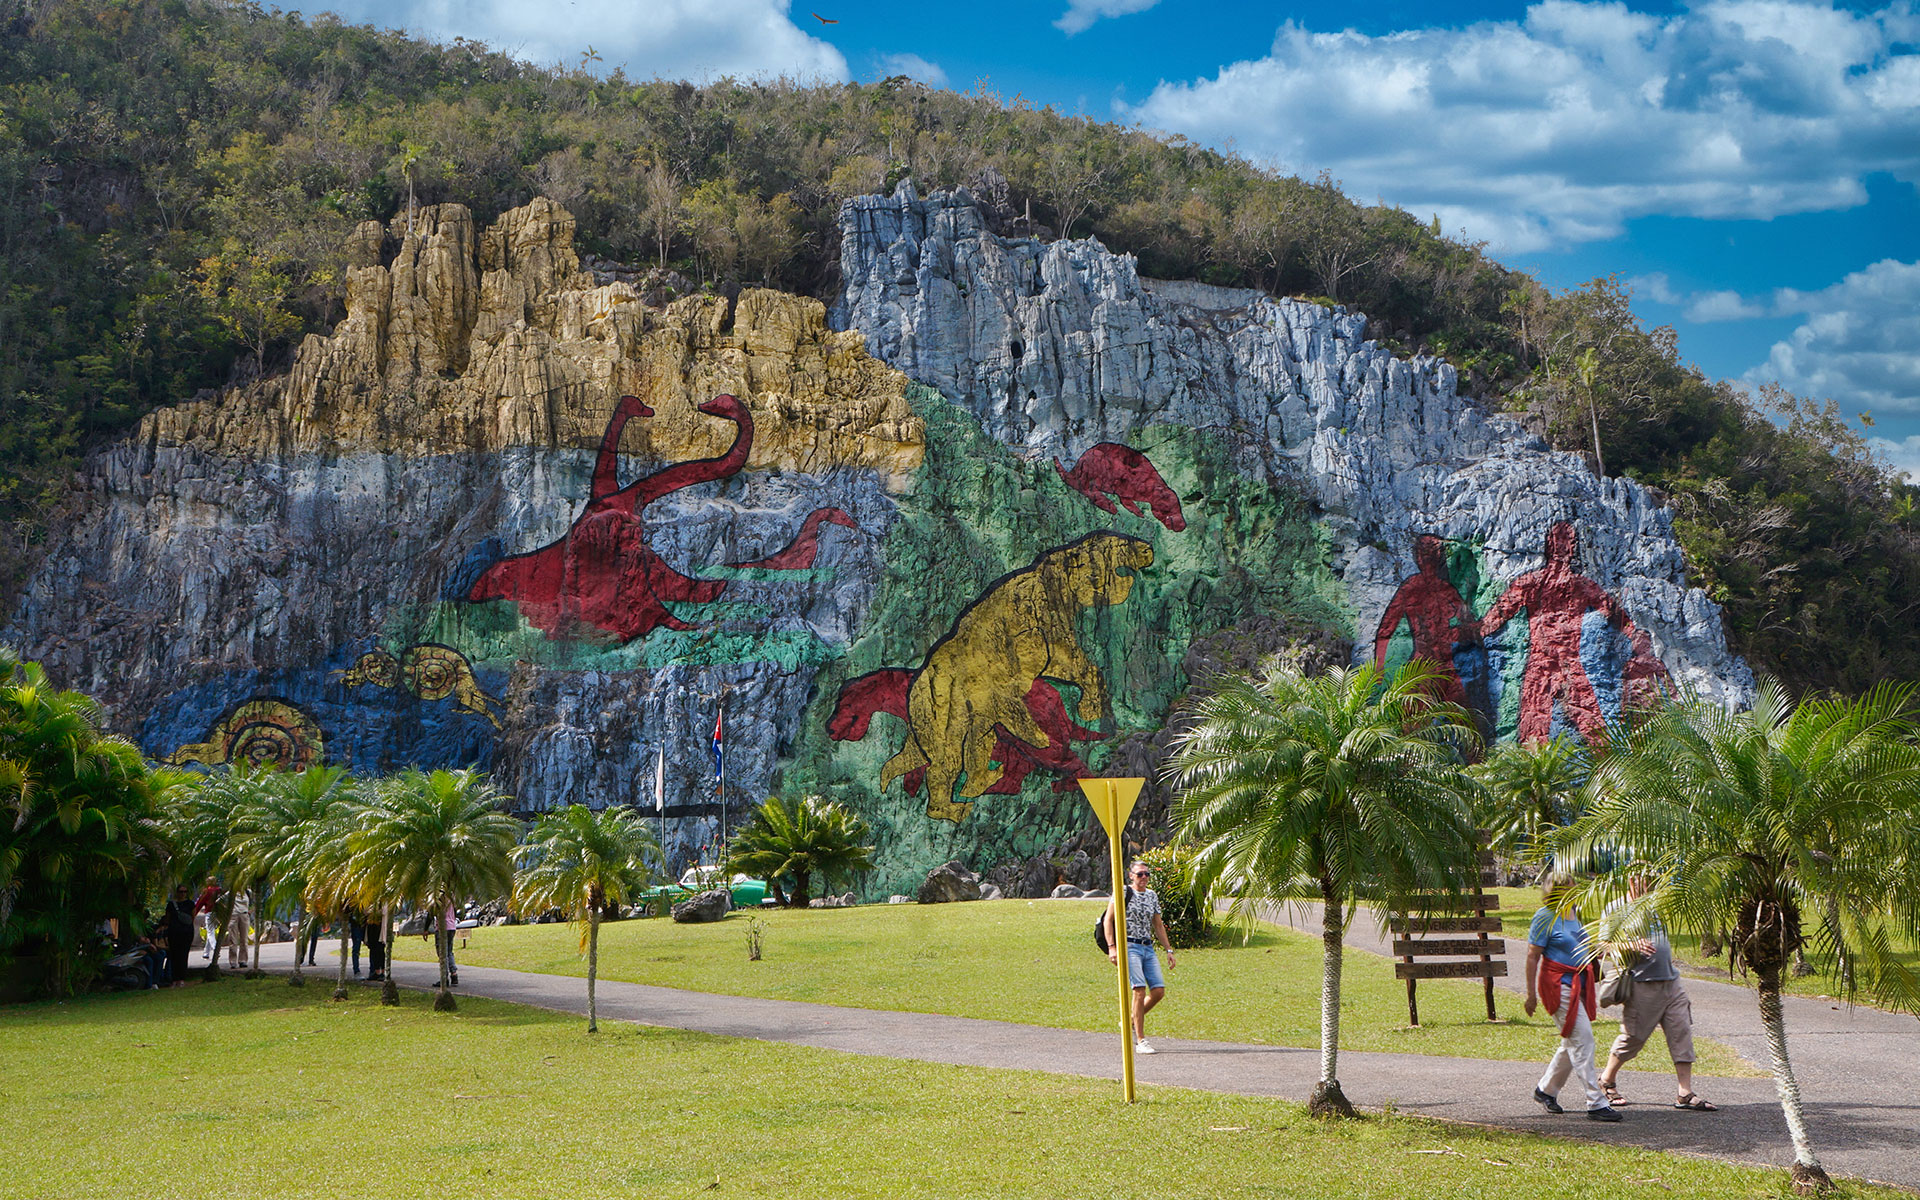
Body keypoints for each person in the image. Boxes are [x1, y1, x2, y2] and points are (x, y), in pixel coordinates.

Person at [1598, 872, 1716, 1111]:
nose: (1650, 884)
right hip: (1642, 984)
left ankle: (1685, 1093)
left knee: (1681, 1031)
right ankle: (1606, 1080)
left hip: (1671, 982)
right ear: (1630, 880)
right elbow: (1603, 946)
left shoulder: (1657, 905)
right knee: (1634, 1037)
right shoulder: (1616, 908)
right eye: (1645, 880)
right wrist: (1631, 945)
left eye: (1653, 880)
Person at [1524, 869, 1621, 1122]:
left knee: (1573, 1040)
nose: (1574, 890)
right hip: (1558, 985)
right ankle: (1596, 1102)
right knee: (1583, 1039)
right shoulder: (1545, 916)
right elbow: (1532, 957)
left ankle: (1545, 1090)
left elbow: (1580, 946)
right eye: (1568, 886)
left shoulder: (1573, 913)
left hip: (1579, 982)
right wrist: (1530, 995)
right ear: (1556, 889)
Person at [1102, 861, 1177, 1054]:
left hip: (1147, 947)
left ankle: (1129, 1021)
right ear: (1131, 875)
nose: (1144, 878)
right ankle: (1141, 1040)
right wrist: (1112, 947)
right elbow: (1108, 920)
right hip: (1129, 946)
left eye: (1146, 874)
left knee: (1158, 991)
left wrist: (1168, 950)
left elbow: (1158, 925)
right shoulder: (1123, 892)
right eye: (1139, 874)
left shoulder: (1152, 895)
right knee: (1139, 990)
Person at [162, 885, 196, 988]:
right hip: (174, 932)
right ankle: (174, 979)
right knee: (174, 956)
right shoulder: (171, 904)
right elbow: (167, 918)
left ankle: (182, 978)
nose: (183, 894)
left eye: (185, 892)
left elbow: (193, 916)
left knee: (183, 955)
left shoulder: (190, 904)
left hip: (186, 932)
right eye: (181, 892)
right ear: (177, 892)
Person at [193, 880, 221, 960]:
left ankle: (216, 949)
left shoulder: (207, 891)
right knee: (210, 931)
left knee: (210, 932)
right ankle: (206, 953)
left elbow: (200, 903)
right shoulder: (219, 890)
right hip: (218, 913)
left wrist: (194, 914)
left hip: (209, 912)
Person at [224, 886, 250, 969]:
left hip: (244, 915)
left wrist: (249, 911)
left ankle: (243, 960)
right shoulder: (231, 892)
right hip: (233, 915)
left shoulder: (248, 892)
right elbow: (220, 900)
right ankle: (233, 961)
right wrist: (228, 911)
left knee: (244, 939)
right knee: (233, 940)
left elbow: (253, 902)